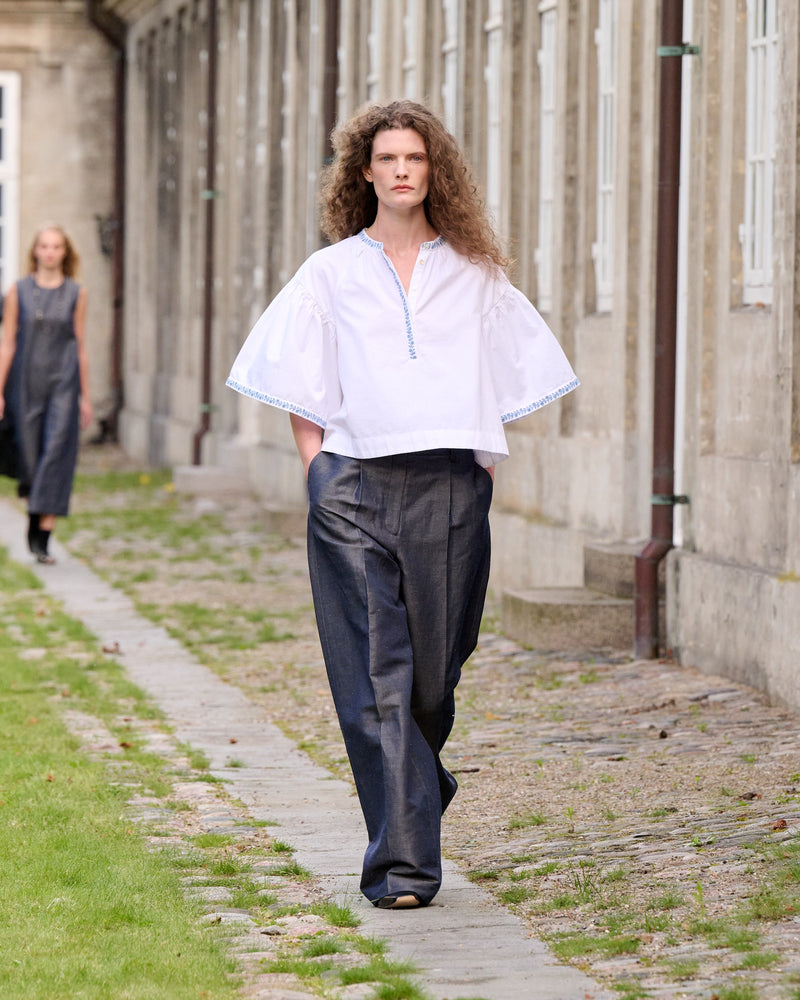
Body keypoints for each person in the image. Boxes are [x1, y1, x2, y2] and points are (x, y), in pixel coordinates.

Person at [227, 100, 578, 909]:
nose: (401, 171)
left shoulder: (476, 273)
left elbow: (516, 373)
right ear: (364, 172)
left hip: (450, 488)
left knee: (430, 681)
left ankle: (416, 789)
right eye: (387, 158)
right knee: (376, 677)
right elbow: (299, 382)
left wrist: (478, 469)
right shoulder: (330, 273)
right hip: (353, 487)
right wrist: (317, 472)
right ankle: (405, 869)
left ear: (433, 170)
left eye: (414, 158)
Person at [0, 225, 93, 563]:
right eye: (44, 246)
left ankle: (43, 536)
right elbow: (8, 343)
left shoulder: (77, 293)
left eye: (56, 246)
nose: (50, 252)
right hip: (25, 383)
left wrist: (85, 396)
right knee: (30, 457)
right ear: (35, 251)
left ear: (65, 252)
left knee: (56, 452)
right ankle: (35, 518)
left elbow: (79, 345)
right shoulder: (18, 291)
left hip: (64, 383)